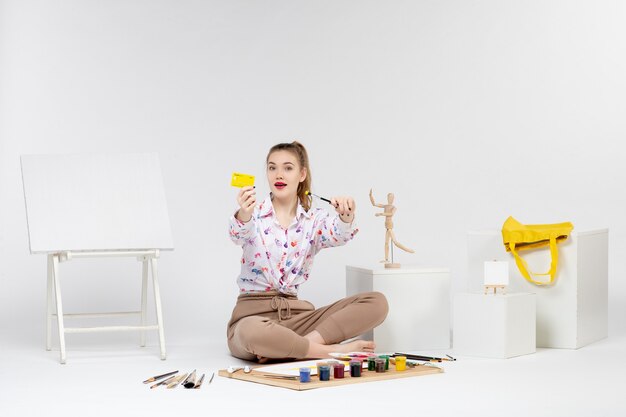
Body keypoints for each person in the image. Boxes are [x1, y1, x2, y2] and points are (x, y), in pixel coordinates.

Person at [227, 141, 388, 362]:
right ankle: (328, 351)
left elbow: (338, 234)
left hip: (299, 320)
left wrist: (346, 215)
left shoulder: (314, 220)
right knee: (250, 332)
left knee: (377, 302)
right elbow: (237, 234)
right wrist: (244, 213)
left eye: (288, 168)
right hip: (252, 317)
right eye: (272, 167)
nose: (278, 174)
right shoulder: (252, 214)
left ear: (302, 174)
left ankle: (294, 347)